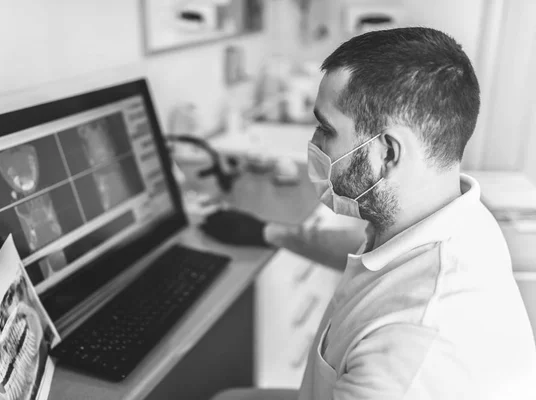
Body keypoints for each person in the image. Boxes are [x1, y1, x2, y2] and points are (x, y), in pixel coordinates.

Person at [202, 27, 536, 399]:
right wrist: (272, 233)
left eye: (326, 129)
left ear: (389, 153)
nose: (314, 143)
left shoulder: (408, 353)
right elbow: (373, 259)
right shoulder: (458, 215)